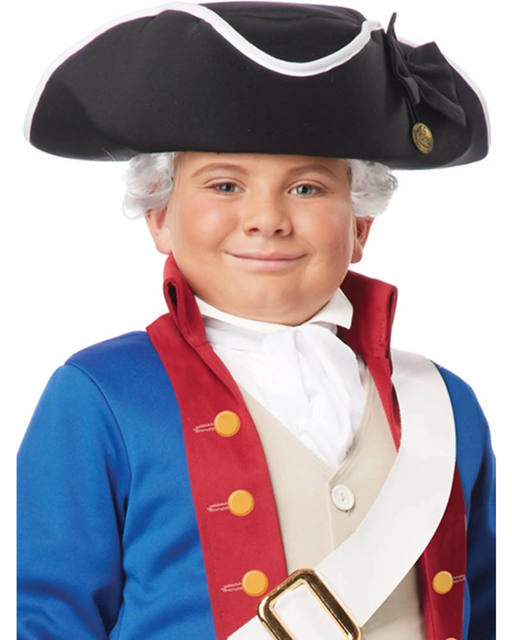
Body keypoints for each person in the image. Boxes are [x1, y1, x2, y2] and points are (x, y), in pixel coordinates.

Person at [17, 3, 495, 640]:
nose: (267, 219)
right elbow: (47, 617)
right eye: (224, 186)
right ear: (159, 216)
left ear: (361, 225)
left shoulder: (447, 406)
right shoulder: (100, 396)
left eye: (307, 188)